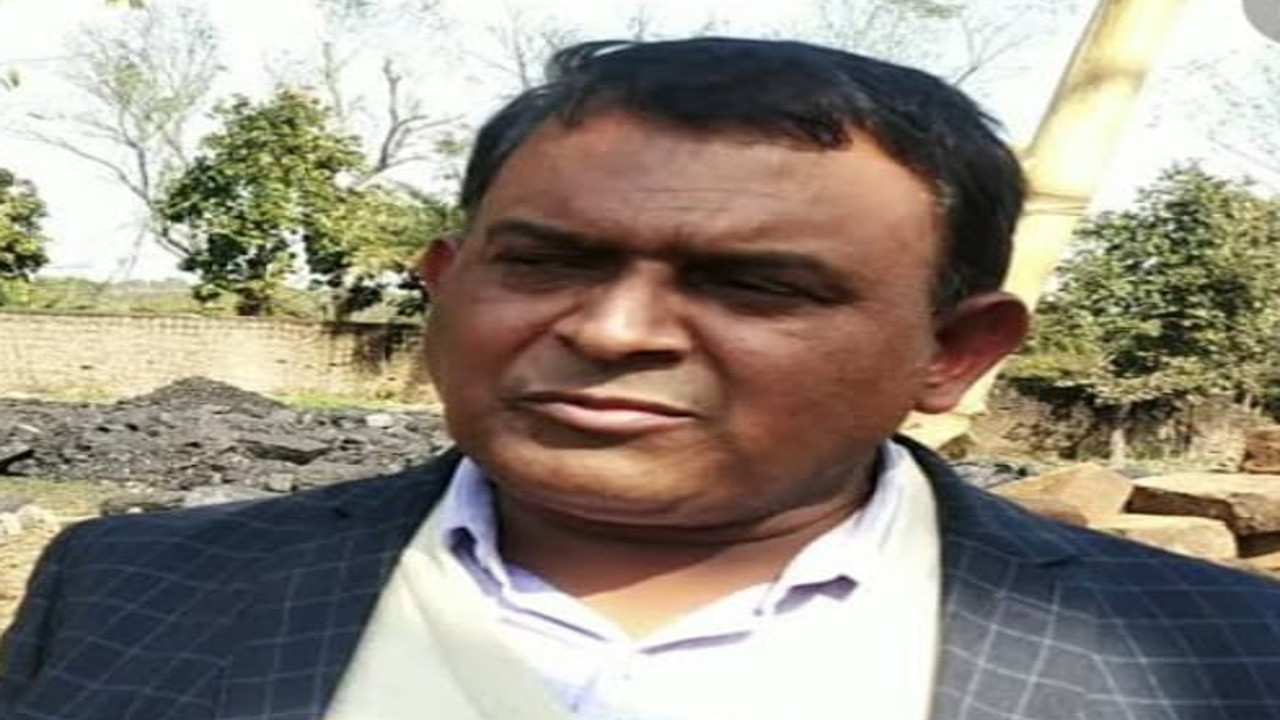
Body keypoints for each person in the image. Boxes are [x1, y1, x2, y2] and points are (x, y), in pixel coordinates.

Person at [2, 37, 1279, 720]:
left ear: (952, 351)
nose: (612, 330)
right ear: (443, 285)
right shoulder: (133, 589)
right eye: (546, 261)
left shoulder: (1221, 659)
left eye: (753, 285)